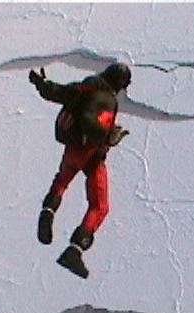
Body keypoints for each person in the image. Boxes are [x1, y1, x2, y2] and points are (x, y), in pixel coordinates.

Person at [29, 62, 131, 279]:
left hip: (72, 148)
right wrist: (110, 137)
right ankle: (75, 249)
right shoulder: (107, 100)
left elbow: (59, 92)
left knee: (62, 180)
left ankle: (48, 212)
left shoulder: (87, 85)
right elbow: (96, 127)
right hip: (91, 154)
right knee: (99, 206)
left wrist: (41, 84)